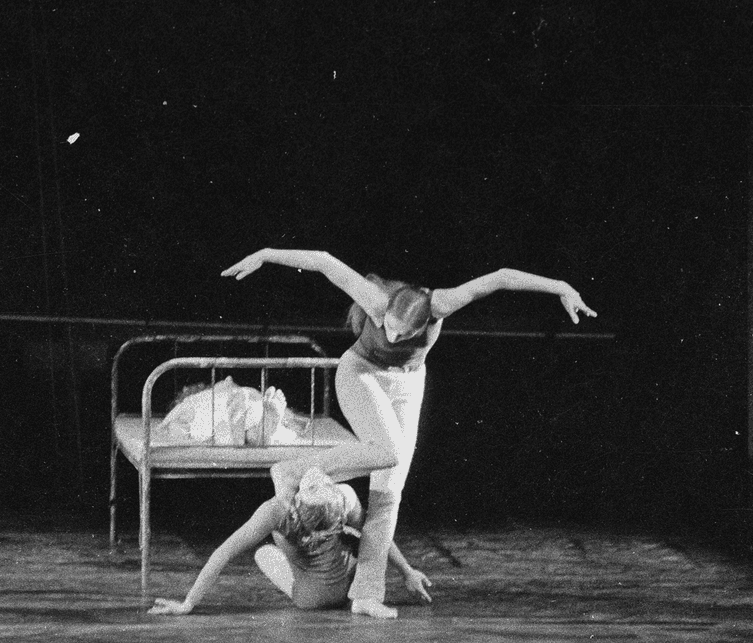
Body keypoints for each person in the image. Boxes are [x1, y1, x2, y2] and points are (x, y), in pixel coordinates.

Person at [218, 248, 597, 617]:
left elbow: (499, 279)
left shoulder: (441, 304)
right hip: (361, 373)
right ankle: (294, 469)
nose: (393, 337)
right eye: (389, 328)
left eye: (404, 334)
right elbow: (323, 261)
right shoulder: (375, 300)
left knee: (388, 494)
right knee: (389, 452)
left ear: (425, 323)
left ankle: (367, 594)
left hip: (408, 383)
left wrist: (561, 286)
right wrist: (265, 254)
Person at [147, 466, 432, 615]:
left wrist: (188, 603)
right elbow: (376, 535)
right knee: (363, 534)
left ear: (296, 503)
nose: (318, 476)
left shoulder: (277, 510)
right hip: (353, 584)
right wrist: (407, 571)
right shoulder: (345, 496)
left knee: (263, 553)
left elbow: (223, 553)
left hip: (312, 598)